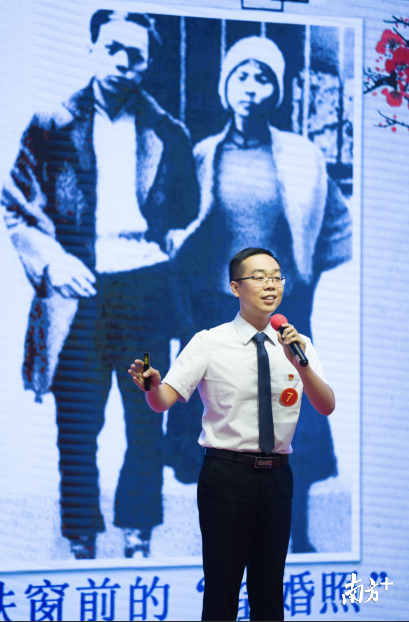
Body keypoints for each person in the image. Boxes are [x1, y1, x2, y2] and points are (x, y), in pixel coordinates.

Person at [1, 9, 199, 559]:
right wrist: (53, 263)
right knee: (77, 423)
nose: (121, 61)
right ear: (92, 50)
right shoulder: (51, 125)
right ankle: (81, 538)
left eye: (135, 54)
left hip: (145, 293)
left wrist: (170, 245)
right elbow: (16, 207)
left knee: (145, 421)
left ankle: (138, 533)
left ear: (148, 63)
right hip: (77, 294)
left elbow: (188, 212)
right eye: (112, 48)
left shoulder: (168, 131)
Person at [167, 35, 352, 552]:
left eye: (264, 77)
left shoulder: (302, 156)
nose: (251, 87)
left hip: (277, 310)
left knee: (291, 416)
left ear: (278, 90)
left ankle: (297, 534)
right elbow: (179, 225)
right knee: (222, 427)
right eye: (241, 75)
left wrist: (305, 279)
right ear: (226, 86)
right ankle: (219, 537)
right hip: (216, 308)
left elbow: (336, 223)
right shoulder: (203, 154)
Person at [129, 247, 335, 621]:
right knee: (222, 590)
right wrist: (151, 387)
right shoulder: (209, 342)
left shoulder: (297, 344)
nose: (270, 285)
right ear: (235, 287)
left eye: (276, 277)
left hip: (277, 477)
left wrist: (301, 365)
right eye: (259, 277)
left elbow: (327, 405)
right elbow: (163, 401)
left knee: (269, 592)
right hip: (226, 476)